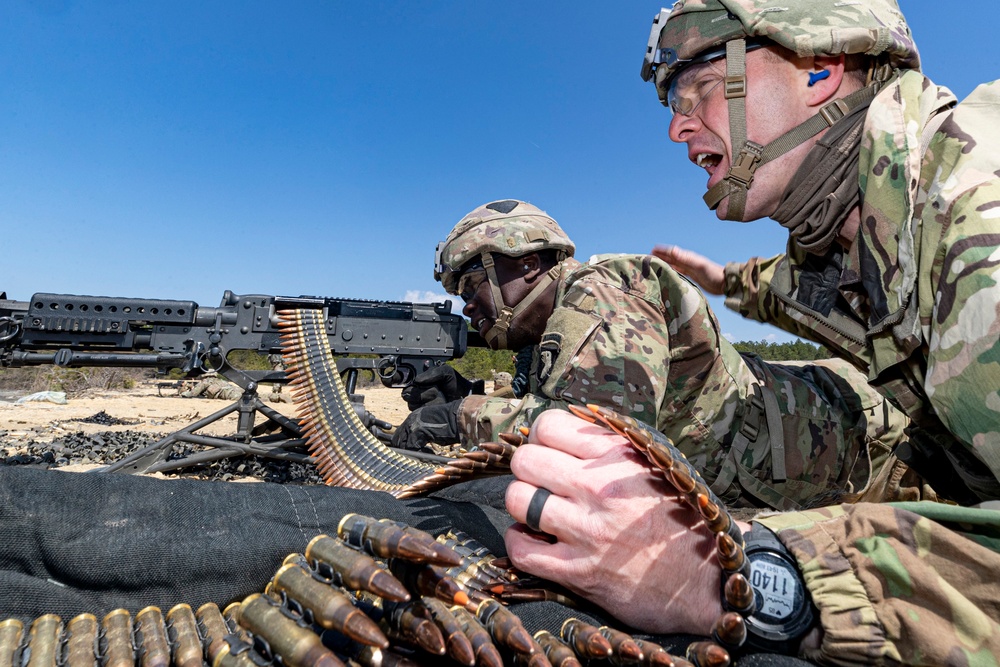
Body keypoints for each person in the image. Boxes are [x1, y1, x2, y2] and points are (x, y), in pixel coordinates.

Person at [504, 2, 1000, 663]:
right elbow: (784, 289)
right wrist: (718, 280)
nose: (679, 127)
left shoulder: (980, 227)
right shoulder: (845, 235)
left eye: (697, 86)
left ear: (821, 68)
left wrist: (737, 576)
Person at [394, 198, 913, 511]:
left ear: (527, 264)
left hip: (876, 451)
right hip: (792, 468)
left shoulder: (604, 291)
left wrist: (459, 417)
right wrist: (472, 395)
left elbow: (601, 435)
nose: (466, 303)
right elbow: (561, 402)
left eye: (471, 282)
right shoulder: (556, 330)